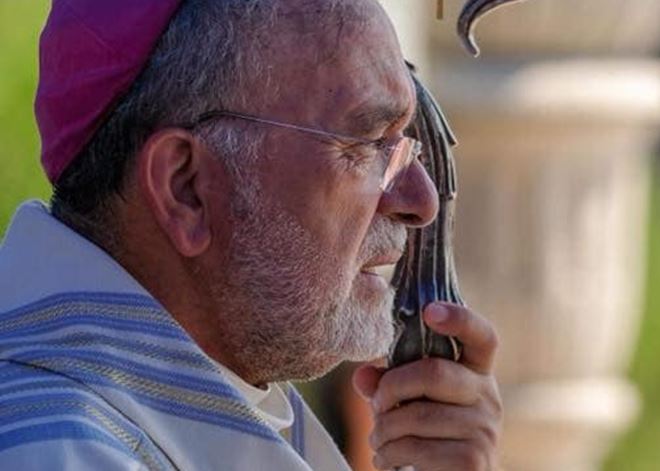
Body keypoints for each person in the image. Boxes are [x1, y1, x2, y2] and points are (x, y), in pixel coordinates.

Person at [0, 0, 503, 470]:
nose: (421, 201)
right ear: (187, 188)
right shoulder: (55, 452)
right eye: (367, 144)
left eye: (402, 143)